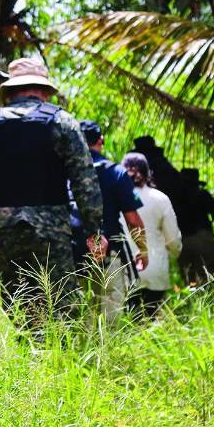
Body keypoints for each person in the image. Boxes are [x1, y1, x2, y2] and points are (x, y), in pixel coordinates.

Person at [0, 59, 105, 333]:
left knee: (17, 302)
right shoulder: (61, 121)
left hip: (6, 230)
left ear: (11, 92)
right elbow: (85, 181)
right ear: (45, 91)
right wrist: (94, 229)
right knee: (60, 304)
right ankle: (58, 362)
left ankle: (29, 359)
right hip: (52, 231)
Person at [79, 121, 147, 320]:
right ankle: (107, 350)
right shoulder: (115, 173)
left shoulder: (65, 172)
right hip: (109, 252)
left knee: (83, 312)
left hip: (75, 252)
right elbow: (133, 219)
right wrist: (142, 249)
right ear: (101, 140)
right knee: (110, 309)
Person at [122, 152, 182, 318]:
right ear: (147, 172)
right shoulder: (160, 198)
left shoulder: (116, 197)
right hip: (155, 267)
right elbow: (173, 238)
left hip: (125, 270)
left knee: (128, 324)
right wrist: (175, 254)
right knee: (150, 321)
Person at [176, 167, 214, 285]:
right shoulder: (203, 194)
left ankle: (193, 299)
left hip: (183, 241)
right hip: (203, 239)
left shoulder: (176, 198)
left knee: (189, 280)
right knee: (206, 278)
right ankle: (207, 300)